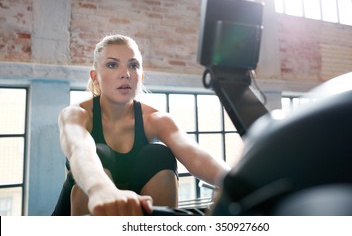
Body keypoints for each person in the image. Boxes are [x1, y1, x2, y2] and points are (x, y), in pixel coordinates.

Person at [51, 34, 230, 216]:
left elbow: (195, 155)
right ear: (95, 76)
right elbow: (80, 151)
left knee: (158, 154)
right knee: (99, 152)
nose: (125, 73)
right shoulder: (77, 114)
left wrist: (241, 184)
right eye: (112, 65)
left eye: (133, 65)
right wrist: (100, 189)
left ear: (141, 76)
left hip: (136, 216)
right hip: (78, 211)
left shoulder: (155, 119)